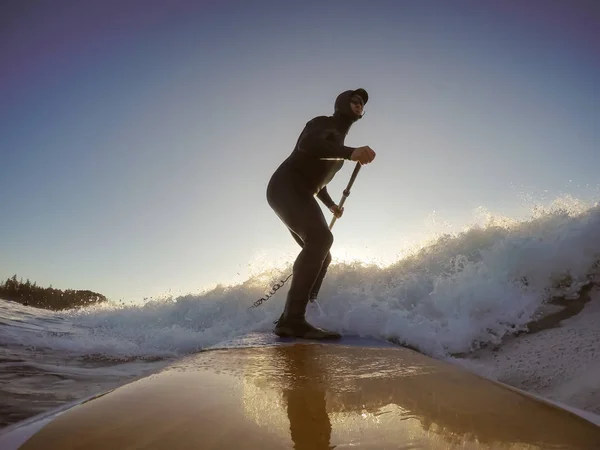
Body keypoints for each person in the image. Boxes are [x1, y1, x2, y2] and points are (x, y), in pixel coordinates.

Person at [266, 88, 376, 339]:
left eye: (362, 103)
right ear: (341, 103)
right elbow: (308, 146)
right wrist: (350, 153)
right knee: (321, 240)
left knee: (323, 254)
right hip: (286, 185)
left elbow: (319, 183)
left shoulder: (336, 146)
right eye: (354, 100)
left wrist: (330, 205)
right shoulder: (323, 124)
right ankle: (293, 320)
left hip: (301, 191)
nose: (359, 105)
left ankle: (299, 313)